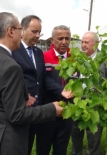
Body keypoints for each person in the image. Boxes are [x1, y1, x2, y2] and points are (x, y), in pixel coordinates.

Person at [0, 12, 64, 155]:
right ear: (11, 31)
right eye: (19, 29)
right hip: (5, 143)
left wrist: (22, 96)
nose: (21, 33)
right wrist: (52, 109)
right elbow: (17, 115)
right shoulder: (9, 65)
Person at [12, 15, 72, 155]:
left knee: (29, 145)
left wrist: (61, 90)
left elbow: (42, 79)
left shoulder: (38, 53)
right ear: (23, 30)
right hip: (19, 108)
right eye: (34, 31)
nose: (38, 35)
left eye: (39, 32)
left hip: (37, 109)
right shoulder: (14, 50)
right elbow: (11, 77)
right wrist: (22, 94)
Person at [71, 31, 107, 155]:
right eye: (82, 42)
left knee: (93, 138)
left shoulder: (106, 60)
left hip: (96, 105)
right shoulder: (79, 59)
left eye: (86, 42)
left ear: (96, 43)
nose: (83, 45)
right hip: (78, 103)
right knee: (76, 135)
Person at [34, 25, 73, 155]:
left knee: (61, 149)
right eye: (60, 38)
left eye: (67, 38)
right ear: (52, 40)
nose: (64, 42)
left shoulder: (75, 59)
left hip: (68, 113)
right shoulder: (43, 57)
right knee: (43, 148)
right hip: (47, 111)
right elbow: (42, 81)